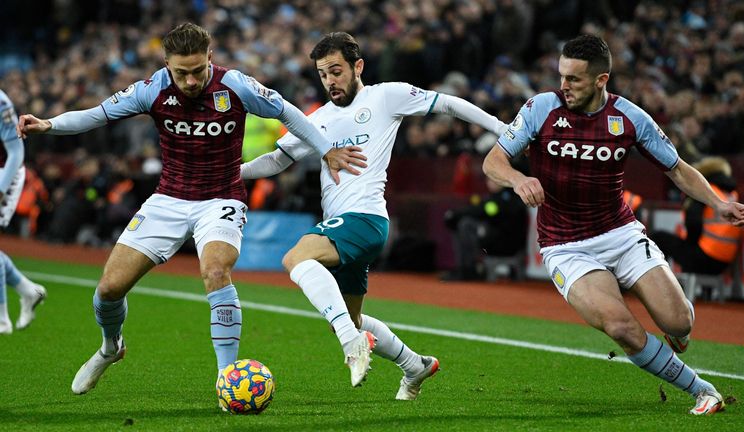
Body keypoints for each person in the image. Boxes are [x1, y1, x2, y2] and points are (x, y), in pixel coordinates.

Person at [16, 23, 365, 396]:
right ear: (167, 64)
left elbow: (291, 114)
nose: (190, 80)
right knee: (108, 289)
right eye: (181, 72)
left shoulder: (237, 86)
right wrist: (49, 124)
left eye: (198, 70)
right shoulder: (152, 89)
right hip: (168, 199)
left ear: (210, 58)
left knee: (216, 271)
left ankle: (227, 377)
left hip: (222, 198)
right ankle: (110, 347)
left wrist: (326, 149)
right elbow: (97, 115)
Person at [482, 34, 744, 415]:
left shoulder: (630, 117)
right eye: (561, 76)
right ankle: (701, 389)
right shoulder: (540, 108)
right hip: (564, 245)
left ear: (600, 80)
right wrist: (518, 178)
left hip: (621, 234)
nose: (564, 86)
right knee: (621, 327)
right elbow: (493, 161)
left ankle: (678, 332)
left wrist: (718, 204)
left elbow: (676, 168)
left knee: (679, 320)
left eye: (573, 79)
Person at [241, 32, 509, 399]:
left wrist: (501, 129)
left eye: (336, 71)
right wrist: (230, 174)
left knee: (295, 258)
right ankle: (415, 365)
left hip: (364, 217)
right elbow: (276, 159)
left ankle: (353, 344)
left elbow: (447, 104)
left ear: (358, 66)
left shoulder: (385, 96)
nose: (330, 80)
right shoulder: (316, 120)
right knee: (349, 318)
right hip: (347, 225)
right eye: (322, 74)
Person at [0, 89, 48, 335]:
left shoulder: (1, 102)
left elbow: (16, 152)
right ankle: (29, 291)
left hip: (5, 172)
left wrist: (1, 187)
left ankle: (2, 321)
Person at [651, 157, 743, 275]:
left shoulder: (704, 191)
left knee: (658, 238)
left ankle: (661, 282)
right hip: (725, 262)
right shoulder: (732, 193)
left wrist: (689, 245)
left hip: (705, 257)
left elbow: (693, 222)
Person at [443, 177, 527, 280]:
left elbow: (483, 210)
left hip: (507, 245)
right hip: (497, 241)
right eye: (488, 179)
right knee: (463, 223)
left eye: (493, 179)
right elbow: (482, 209)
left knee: (466, 225)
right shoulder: (496, 197)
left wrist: (454, 214)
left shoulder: (505, 198)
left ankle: (470, 269)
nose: (489, 182)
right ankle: (464, 268)